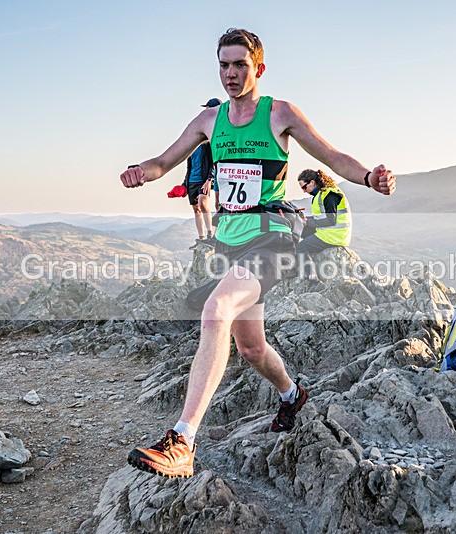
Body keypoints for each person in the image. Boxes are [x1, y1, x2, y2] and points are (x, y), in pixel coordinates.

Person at [119, 28, 396, 478]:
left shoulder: (280, 113)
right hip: (230, 242)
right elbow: (163, 162)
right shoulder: (210, 121)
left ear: (258, 69)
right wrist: (139, 173)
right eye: (224, 65)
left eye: (240, 65)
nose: (230, 73)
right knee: (250, 347)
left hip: (272, 239)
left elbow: (331, 155)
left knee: (216, 309)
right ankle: (292, 395)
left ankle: (183, 440)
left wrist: (369, 177)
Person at [295, 169, 351, 278]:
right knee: (299, 230)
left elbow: (331, 220)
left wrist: (309, 222)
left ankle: (311, 276)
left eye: (304, 187)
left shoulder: (329, 195)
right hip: (329, 232)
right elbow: (320, 217)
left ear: (312, 182)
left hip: (334, 236)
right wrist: (305, 219)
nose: (304, 191)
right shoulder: (322, 194)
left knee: (300, 247)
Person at [185, 98, 222, 248]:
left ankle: (210, 234)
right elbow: (189, 166)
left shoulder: (208, 142)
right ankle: (201, 237)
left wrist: (209, 179)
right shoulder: (193, 144)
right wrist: (183, 184)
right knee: (196, 208)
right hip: (192, 180)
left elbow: (213, 161)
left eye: (208, 108)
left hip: (205, 178)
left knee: (203, 203)